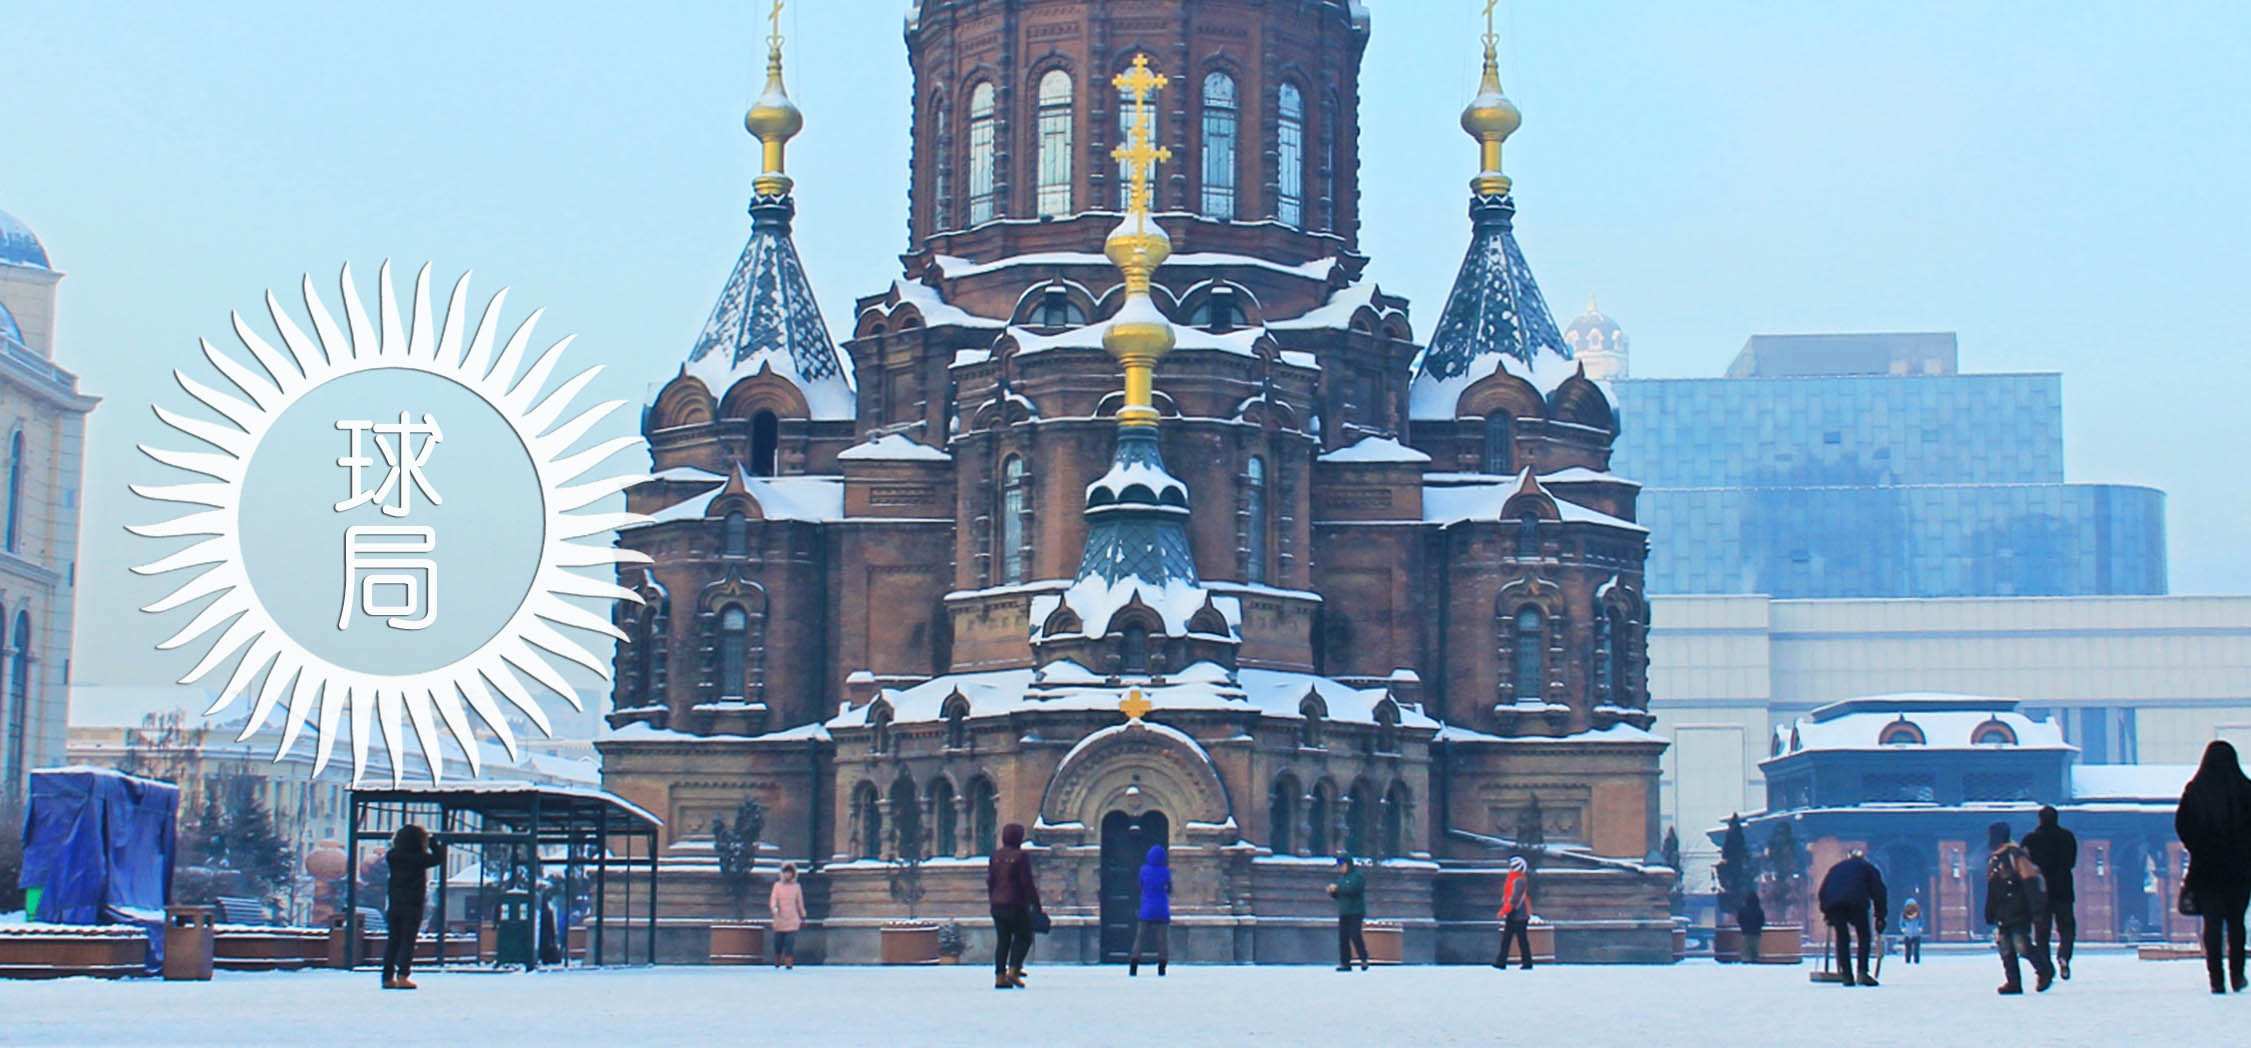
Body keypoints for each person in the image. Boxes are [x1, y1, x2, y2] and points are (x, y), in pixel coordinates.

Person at [2176, 739, 2251, 994]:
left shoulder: (2195, 790)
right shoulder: (2246, 790)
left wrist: (2197, 846)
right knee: (2236, 923)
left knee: (2212, 924)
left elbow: (2182, 825)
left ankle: (2215, 979)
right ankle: (2237, 974)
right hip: (2240, 869)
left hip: (2205, 870)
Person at [1985, 821, 2055, 995]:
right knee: (2005, 947)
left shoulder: (2016, 856)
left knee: (2021, 945)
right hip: (2003, 910)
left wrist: (2036, 909)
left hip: (2019, 909)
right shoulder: (1994, 860)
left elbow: (2029, 882)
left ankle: (2044, 971)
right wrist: (1990, 910)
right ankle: (2013, 982)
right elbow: (1993, 889)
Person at [381, 823, 445, 990]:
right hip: (413, 905)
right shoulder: (419, 859)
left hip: (394, 905)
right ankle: (403, 976)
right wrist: (433, 843)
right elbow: (439, 858)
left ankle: (387, 977)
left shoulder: (392, 856)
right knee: (408, 941)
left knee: (393, 941)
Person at [2022, 805, 2079, 980]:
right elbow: (2071, 863)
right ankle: (2064, 956)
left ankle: (2046, 966)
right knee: (2067, 927)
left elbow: (2025, 865)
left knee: (2041, 932)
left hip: (2041, 891)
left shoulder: (2030, 840)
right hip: (2063, 889)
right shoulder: (2067, 837)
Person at [1816, 848, 1887, 988]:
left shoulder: (1836, 868)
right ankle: (1862, 972)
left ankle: (1847, 975)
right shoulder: (1868, 868)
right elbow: (1879, 892)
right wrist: (1880, 917)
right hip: (1857, 902)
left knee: (1842, 938)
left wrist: (1827, 913)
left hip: (1834, 904)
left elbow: (1823, 891)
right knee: (1864, 936)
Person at [986, 822, 1040, 989]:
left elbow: (991, 881)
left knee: (1003, 941)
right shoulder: (1020, 856)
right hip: (1016, 904)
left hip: (997, 905)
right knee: (1024, 937)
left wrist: (993, 898)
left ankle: (1000, 976)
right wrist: (1035, 903)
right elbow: (1026, 882)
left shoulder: (995, 856)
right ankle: (1014, 969)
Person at [1129, 844, 1171, 976]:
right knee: (1162, 939)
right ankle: (1162, 967)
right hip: (1161, 909)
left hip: (1146, 908)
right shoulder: (1165, 871)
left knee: (1140, 938)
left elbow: (1140, 885)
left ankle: (1134, 965)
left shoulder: (1144, 870)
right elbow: (1170, 888)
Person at [1327, 853, 1370, 971]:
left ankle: (1363, 958)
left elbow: (1353, 890)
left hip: (1356, 911)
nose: (1340, 868)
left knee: (1355, 934)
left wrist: (1338, 889)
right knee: (1343, 938)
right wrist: (1333, 892)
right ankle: (1345, 962)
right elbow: (1340, 895)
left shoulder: (1357, 877)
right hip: (1344, 912)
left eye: (1342, 865)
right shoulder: (1340, 879)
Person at [1492, 856, 1534, 970]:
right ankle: (1502, 961)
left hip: (1518, 914)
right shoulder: (1515, 878)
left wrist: (1504, 910)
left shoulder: (1518, 879)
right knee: (1510, 939)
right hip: (1515, 913)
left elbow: (1515, 898)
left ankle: (1525, 962)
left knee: (1519, 939)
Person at [768, 862, 807, 970]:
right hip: (779, 919)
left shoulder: (796, 887)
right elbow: (773, 898)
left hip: (792, 919)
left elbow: (800, 902)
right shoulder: (777, 886)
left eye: (790, 873)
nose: (787, 875)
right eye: (786, 872)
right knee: (778, 943)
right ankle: (777, 960)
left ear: (793, 874)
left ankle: (789, 962)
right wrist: (774, 909)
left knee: (790, 943)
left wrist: (803, 914)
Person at [1737, 890, 1766, 965]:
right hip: (1756, 933)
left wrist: (1743, 926)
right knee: (1755, 949)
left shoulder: (1743, 909)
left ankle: (1746, 959)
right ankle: (1755, 959)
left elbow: (1739, 919)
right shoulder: (1759, 910)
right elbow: (1762, 921)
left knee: (1746, 949)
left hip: (1745, 932)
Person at [1899, 899, 1925, 964]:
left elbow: (1922, 922)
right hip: (1907, 934)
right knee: (1908, 950)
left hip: (1917, 934)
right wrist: (1903, 929)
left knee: (1916, 950)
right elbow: (1901, 923)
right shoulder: (1904, 914)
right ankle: (1907, 961)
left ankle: (1916, 962)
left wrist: (1920, 928)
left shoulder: (1919, 914)